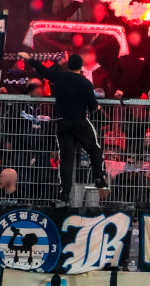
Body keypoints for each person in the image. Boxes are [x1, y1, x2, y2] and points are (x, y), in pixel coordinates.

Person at [22, 52, 108, 204]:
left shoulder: (59, 78)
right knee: (94, 149)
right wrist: (96, 106)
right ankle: (99, 178)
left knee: (67, 158)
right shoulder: (85, 83)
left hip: (63, 123)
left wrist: (29, 59)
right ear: (81, 66)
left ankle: (65, 193)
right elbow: (93, 106)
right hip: (80, 122)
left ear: (68, 66)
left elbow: (43, 70)